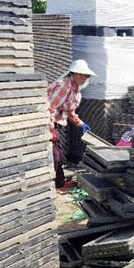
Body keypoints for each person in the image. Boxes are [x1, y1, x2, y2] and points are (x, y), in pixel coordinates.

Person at [48, 59, 95, 188]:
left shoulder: (75, 92)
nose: (85, 78)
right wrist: (50, 130)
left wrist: (81, 124)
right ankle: (57, 184)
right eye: (82, 75)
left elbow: (70, 112)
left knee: (58, 155)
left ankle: (59, 182)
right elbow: (49, 108)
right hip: (48, 123)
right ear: (74, 73)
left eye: (87, 76)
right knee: (56, 155)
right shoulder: (64, 85)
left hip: (56, 124)